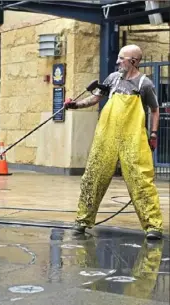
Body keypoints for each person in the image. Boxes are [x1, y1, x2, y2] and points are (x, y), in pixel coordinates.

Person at [64, 44, 163, 240]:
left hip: (133, 138)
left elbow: (155, 109)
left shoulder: (145, 84)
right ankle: (82, 222)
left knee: (141, 181)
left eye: (121, 58)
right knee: (93, 177)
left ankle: (153, 227)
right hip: (107, 135)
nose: (117, 61)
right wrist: (75, 105)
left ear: (133, 61)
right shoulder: (112, 79)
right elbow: (95, 98)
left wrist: (153, 134)